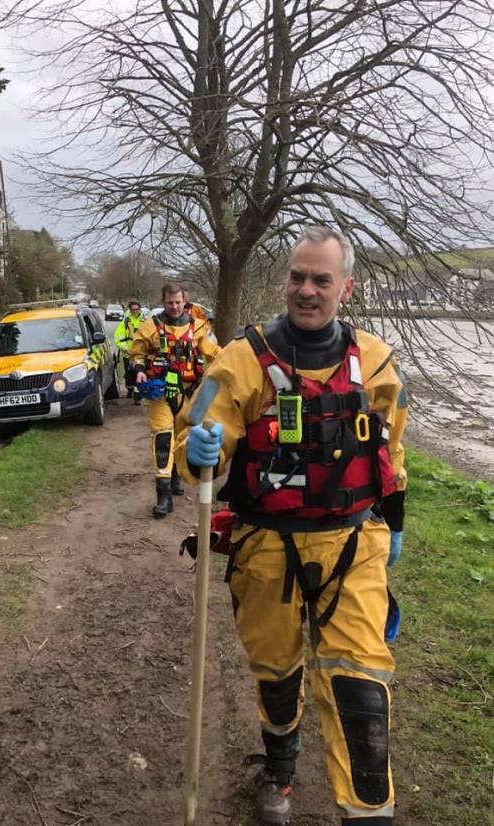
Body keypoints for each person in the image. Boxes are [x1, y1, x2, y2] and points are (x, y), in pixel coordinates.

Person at [176, 226, 407, 826]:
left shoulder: (375, 361)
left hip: (352, 542)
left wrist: (395, 523)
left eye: (320, 279)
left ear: (345, 288)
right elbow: (196, 434)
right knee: (276, 671)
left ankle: (368, 812)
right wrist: (196, 453)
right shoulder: (241, 361)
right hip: (266, 547)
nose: (306, 290)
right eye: (297, 277)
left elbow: (393, 450)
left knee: (360, 681)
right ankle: (279, 769)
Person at [130, 283, 221, 518]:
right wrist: (139, 369)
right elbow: (137, 353)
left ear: (185, 300)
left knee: (182, 436)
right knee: (162, 437)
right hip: (160, 392)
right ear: (164, 301)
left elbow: (215, 353)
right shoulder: (149, 326)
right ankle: (163, 495)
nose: (174, 306)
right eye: (170, 302)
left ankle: (176, 476)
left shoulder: (200, 326)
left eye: (178, 302)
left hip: (189, 391)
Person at [113, 300, 144, 405]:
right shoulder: (125, 322)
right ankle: (130, 389)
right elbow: (118, 338)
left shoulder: (145, 321)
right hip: (128, 354)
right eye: (133, 310)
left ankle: (138, 397)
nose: (135, 311)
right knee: (130, 375)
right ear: (130, 311)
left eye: (137, 309)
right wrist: (126, 349)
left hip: (141, 355)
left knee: (139, 374)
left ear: (139, 310)